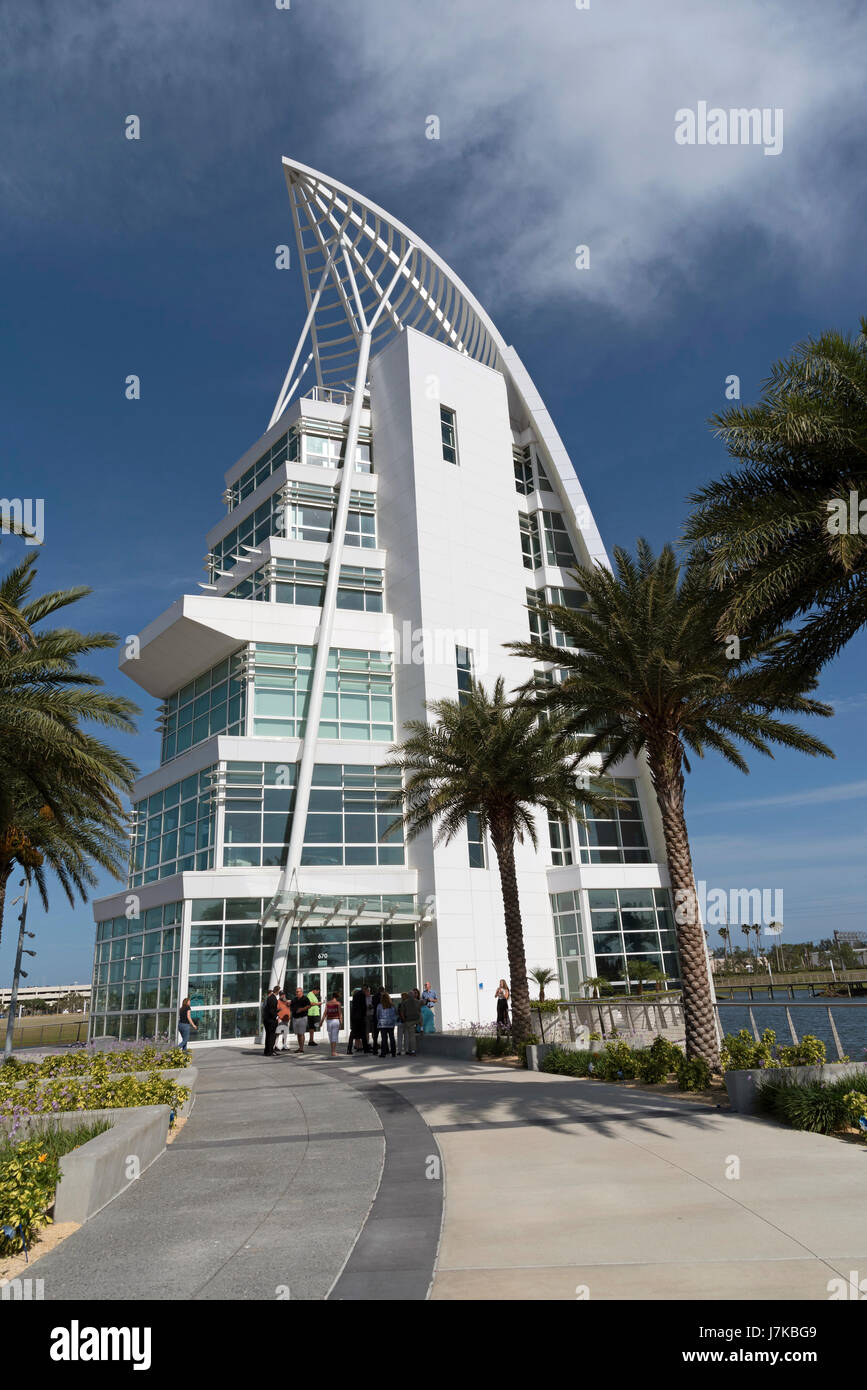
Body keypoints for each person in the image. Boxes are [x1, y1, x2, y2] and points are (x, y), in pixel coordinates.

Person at [346, 988, 371, 1055]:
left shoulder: (354, 1001)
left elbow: (353, 1012)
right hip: (361, 1018)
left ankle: (349, 1049)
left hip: (354, 1019)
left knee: (352, 1035)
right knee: (363, 1034)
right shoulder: (361, 998)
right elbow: (364, 1009)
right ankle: (365, 1049)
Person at [398, 990, 421, 1055]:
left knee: (409, 1036)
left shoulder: (404, 1003)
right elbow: (419, 1011)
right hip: (416, 1020)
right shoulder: (417, 1001)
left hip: (408, 1021)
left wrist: (404, 1020)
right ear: (413, 995)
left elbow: (402, 1013)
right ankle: (412, 1050)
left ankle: (409, 1050)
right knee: (410, 1036)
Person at [377, 991, 397, 1057]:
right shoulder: (392, 1005)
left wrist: (379, 1020)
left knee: (384, 1039)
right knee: (392, 1038)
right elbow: (395, 1014)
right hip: (391, 1023)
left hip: (382, 1024)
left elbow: (377, 1014)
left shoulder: (380, 1006)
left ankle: (384, 1053)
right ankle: (393, 1052)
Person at [290, 986, 309, 1053]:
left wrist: (302, 1009)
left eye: (297, 991)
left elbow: (308, 1006)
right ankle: (300, 1047)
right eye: (296, 991)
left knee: (301, 1033)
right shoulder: (294, 999)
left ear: (301, 992)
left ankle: (301, 1048)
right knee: (298, 1034)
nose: (296, 993)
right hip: (295, 1018)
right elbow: (291, 1007)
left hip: (302, 1018)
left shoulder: (305, 998)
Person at [324, 991, 343, 1058]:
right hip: (335, 1020)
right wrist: (341, 1022)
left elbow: (325, 1013)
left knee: (330, 1035)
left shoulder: (328, 1003)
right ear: (337, 997)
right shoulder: (338, 1003)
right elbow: (340, 1014)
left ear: (332, 996)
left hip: (329, 1021)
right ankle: (333, 1051)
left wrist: (321, 1021)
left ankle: (332, 1050)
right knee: (334, 1036)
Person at [262, 986, 279, 1056]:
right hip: (271, 1020)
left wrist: (276, 1011)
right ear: (277, 991)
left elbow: (269, 1009)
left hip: (266, 1020)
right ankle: (270, 1051)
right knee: (271, 1036)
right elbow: (272, 1011)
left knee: (268, 1036)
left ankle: (267, 1051)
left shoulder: (269, 998)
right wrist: (276, 1016)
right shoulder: (273, 999)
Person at [369, 983, 382, 1055]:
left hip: (375, 1017)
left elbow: (372, 1006)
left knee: (376, 1034)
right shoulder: (383, 996)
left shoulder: (374, 997)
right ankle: (385, 1048)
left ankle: (375, 1049)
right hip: (382, 1017)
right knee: (384, 1034)